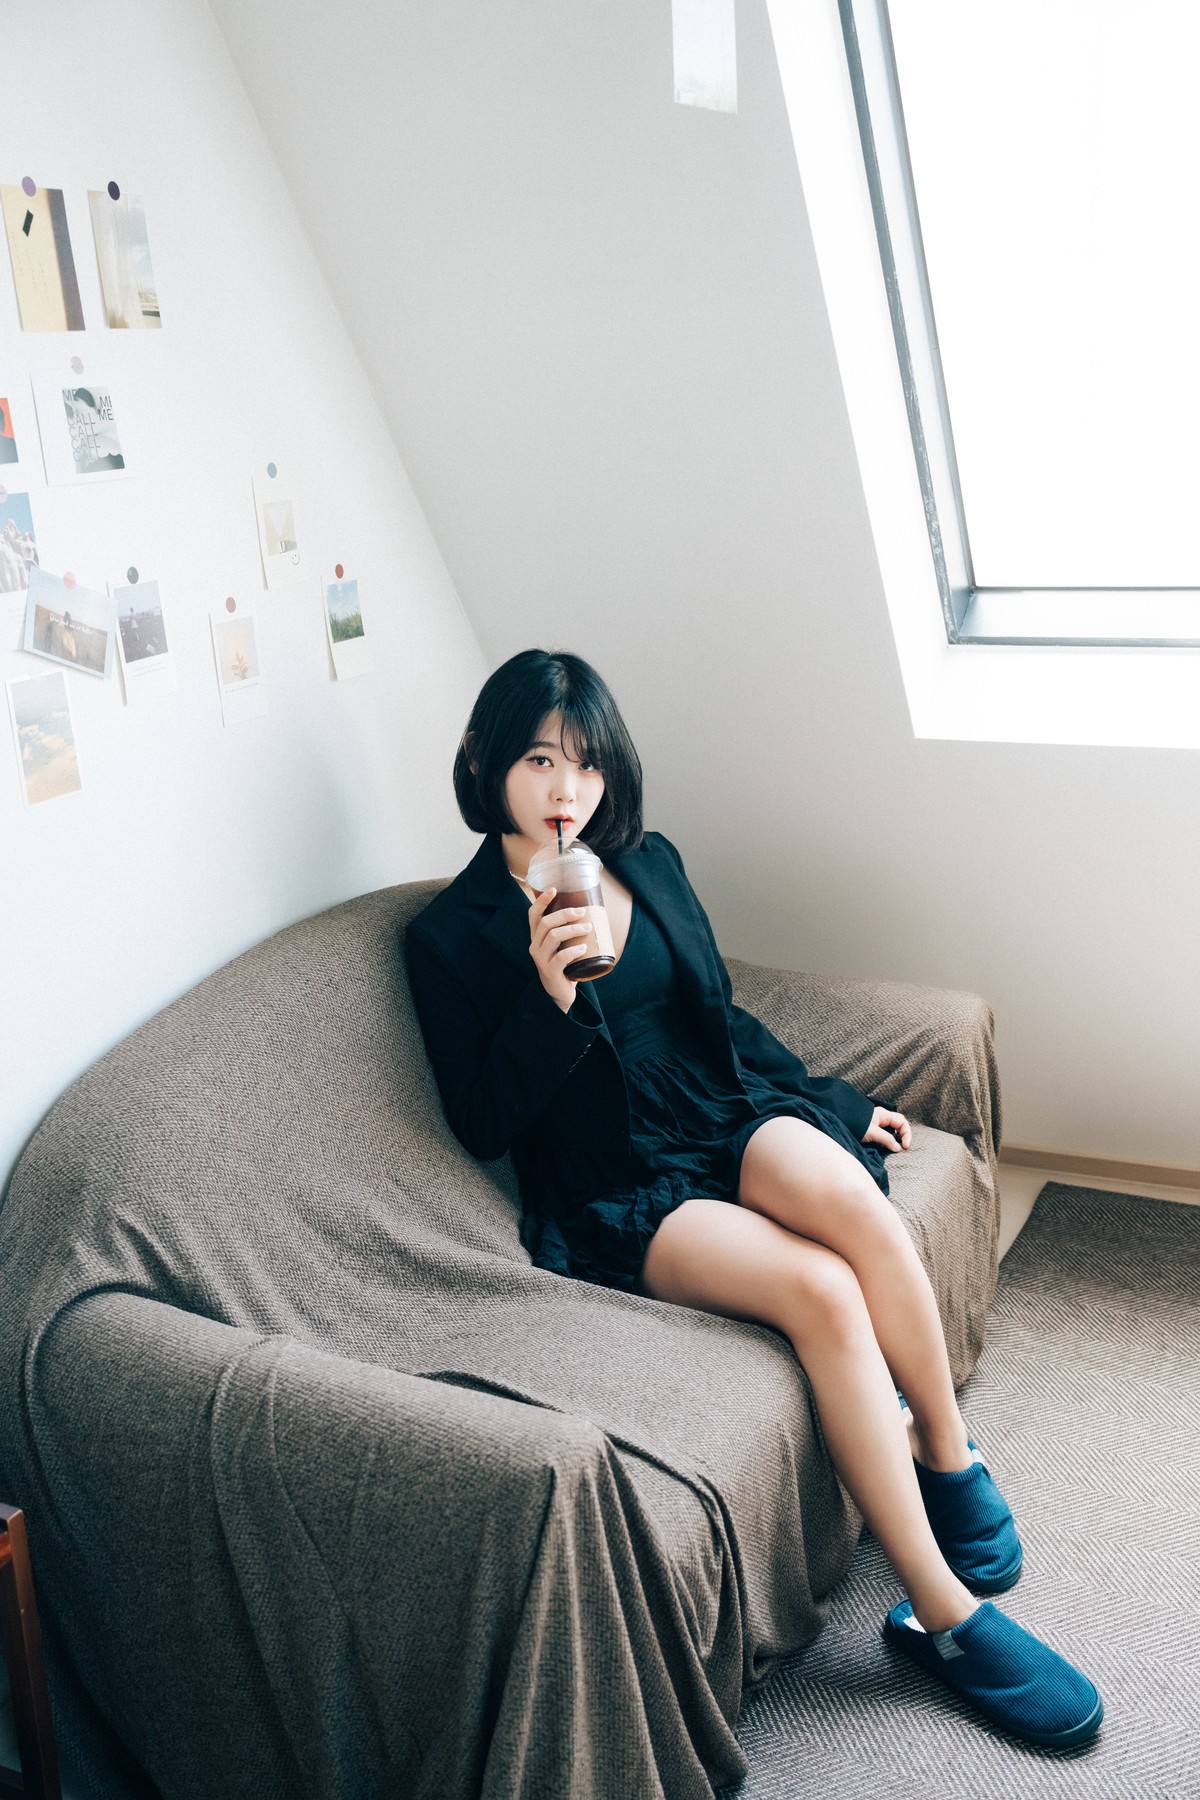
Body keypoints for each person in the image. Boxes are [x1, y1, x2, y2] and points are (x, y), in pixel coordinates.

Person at [405, 648, 1103, 1750]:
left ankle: (946, 1454)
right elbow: (484, 1120)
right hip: (611, 1178)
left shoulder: (649, 863)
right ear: (483, 760)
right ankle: (943, 1616)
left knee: (859, 1209)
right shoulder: (449, 936)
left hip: (716, 1109)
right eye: (538, 761)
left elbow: (718, 1020)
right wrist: (546, 993)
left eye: (585, 764)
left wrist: (836, 1103)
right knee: (820, 1290)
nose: (564, 790)